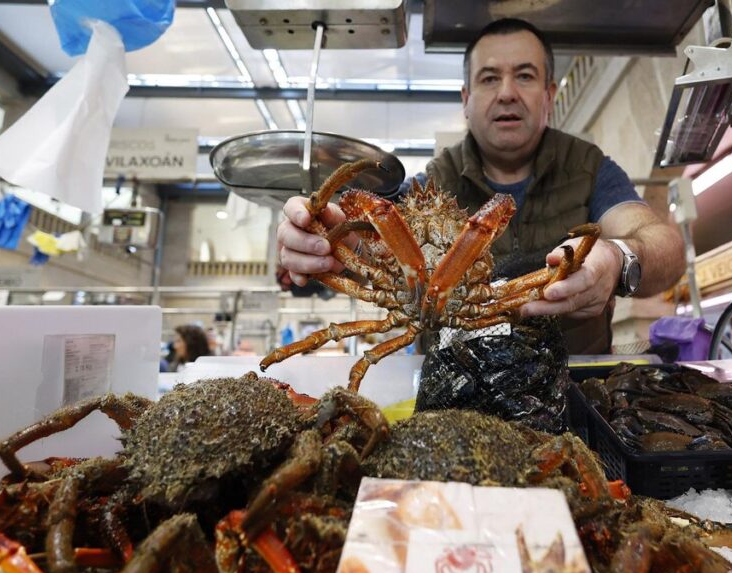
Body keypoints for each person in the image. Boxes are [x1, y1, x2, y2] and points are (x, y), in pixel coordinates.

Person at [276, 18, 685, 354]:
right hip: (450, 397)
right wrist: (318, 240)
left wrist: (618, 259)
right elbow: (368, 248)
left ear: (550, 94)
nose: (506, 93)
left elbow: (664, 244)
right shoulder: (429, 187)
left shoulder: (590, 169)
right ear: (466, 99)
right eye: (489, 79)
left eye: (524, 76)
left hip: (575, 390)